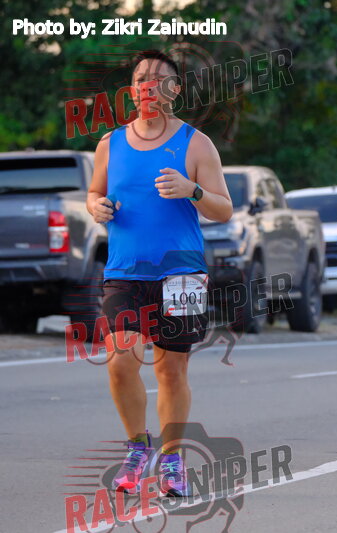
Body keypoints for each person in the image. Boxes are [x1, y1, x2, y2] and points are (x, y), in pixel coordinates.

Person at [87, 49, 233, 495]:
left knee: (171, 371)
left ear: (174, 89)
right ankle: (137, 448)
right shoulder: (110, 144)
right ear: (131, 91)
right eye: (140, 79)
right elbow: (93, 193)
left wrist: (193, 190)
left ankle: (172, 460)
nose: (147, 86)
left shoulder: (196, 143)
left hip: (182, 274)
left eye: (157, 79)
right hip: (125, 271)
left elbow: (224, 209)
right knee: (121, 362)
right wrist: (96, 207)